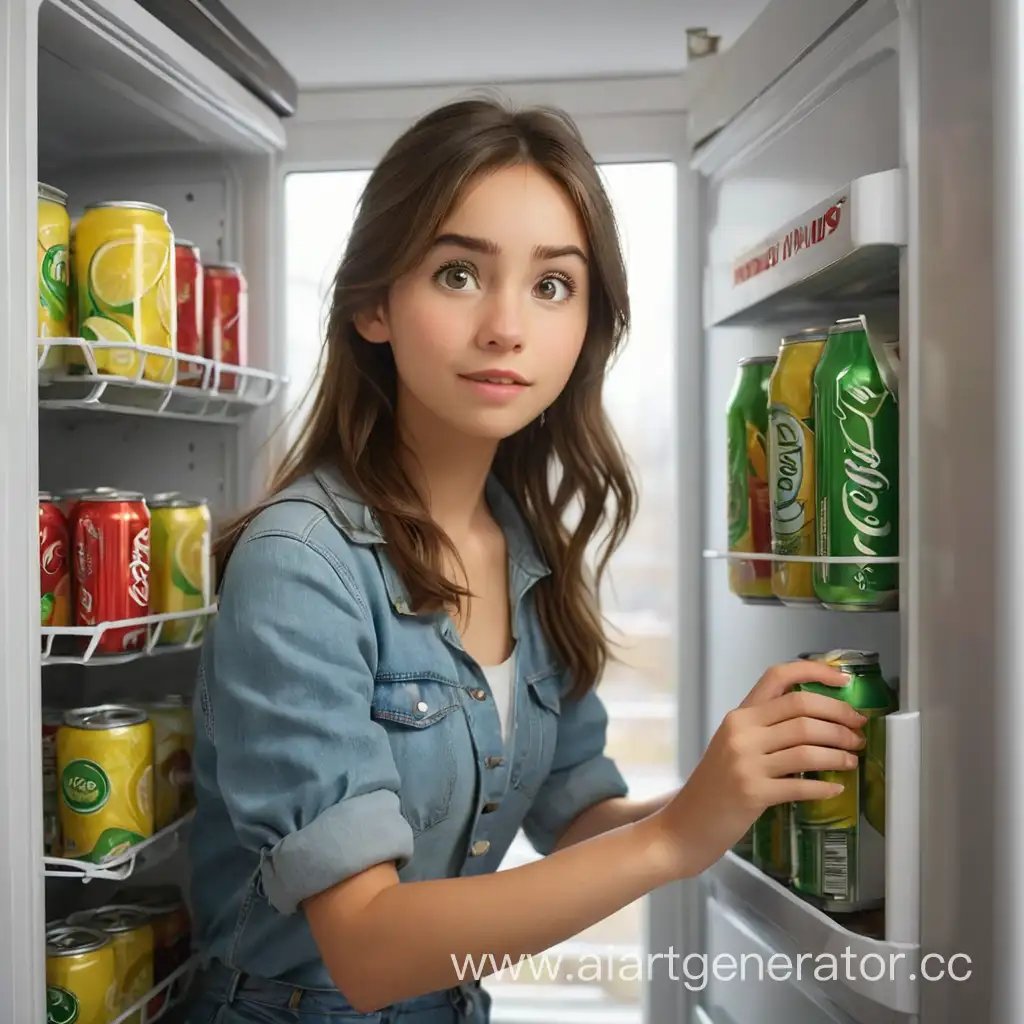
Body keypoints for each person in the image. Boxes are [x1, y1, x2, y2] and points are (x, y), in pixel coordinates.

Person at [184, 98, 864, 1024]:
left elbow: (575, 820)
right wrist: (674, 837)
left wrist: (730, 799)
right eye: (459, 273)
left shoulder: (526, 547)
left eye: (552, 286)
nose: (507, 326)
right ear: (373, 306)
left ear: (588, 323)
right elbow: (371, 950)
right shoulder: (300, 567)